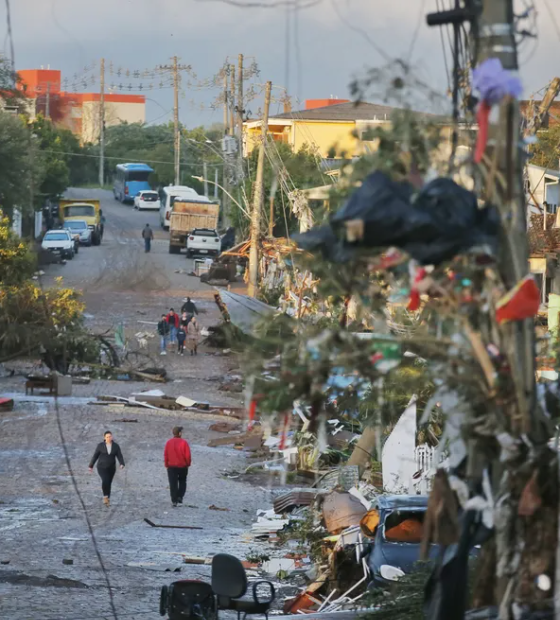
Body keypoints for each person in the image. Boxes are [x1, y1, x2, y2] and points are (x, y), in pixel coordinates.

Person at [88, 431, 125, 507]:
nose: (109, 438)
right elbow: (95, 456)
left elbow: (119, 455)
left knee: (109, 483)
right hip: (101, 467)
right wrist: (91, 466)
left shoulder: (116, 446)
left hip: (111, 468)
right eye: (107, 437)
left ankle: (108, 499)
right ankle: (105, 496)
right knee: (105, 480)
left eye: (110, 436)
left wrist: (122, 463)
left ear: (112, 437)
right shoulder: (100, 446)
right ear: (104, 437)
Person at [164, 426, 192, 507]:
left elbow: (166, 455)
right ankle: (180, 496)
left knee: (173, 483)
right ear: (179, 433)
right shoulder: (184, 443)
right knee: (182, 481)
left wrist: (166, 464)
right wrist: (188, 464)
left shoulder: (169, 442)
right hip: (182, 466)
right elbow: (188, 456)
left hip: (171, 466)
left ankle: (174, 500)